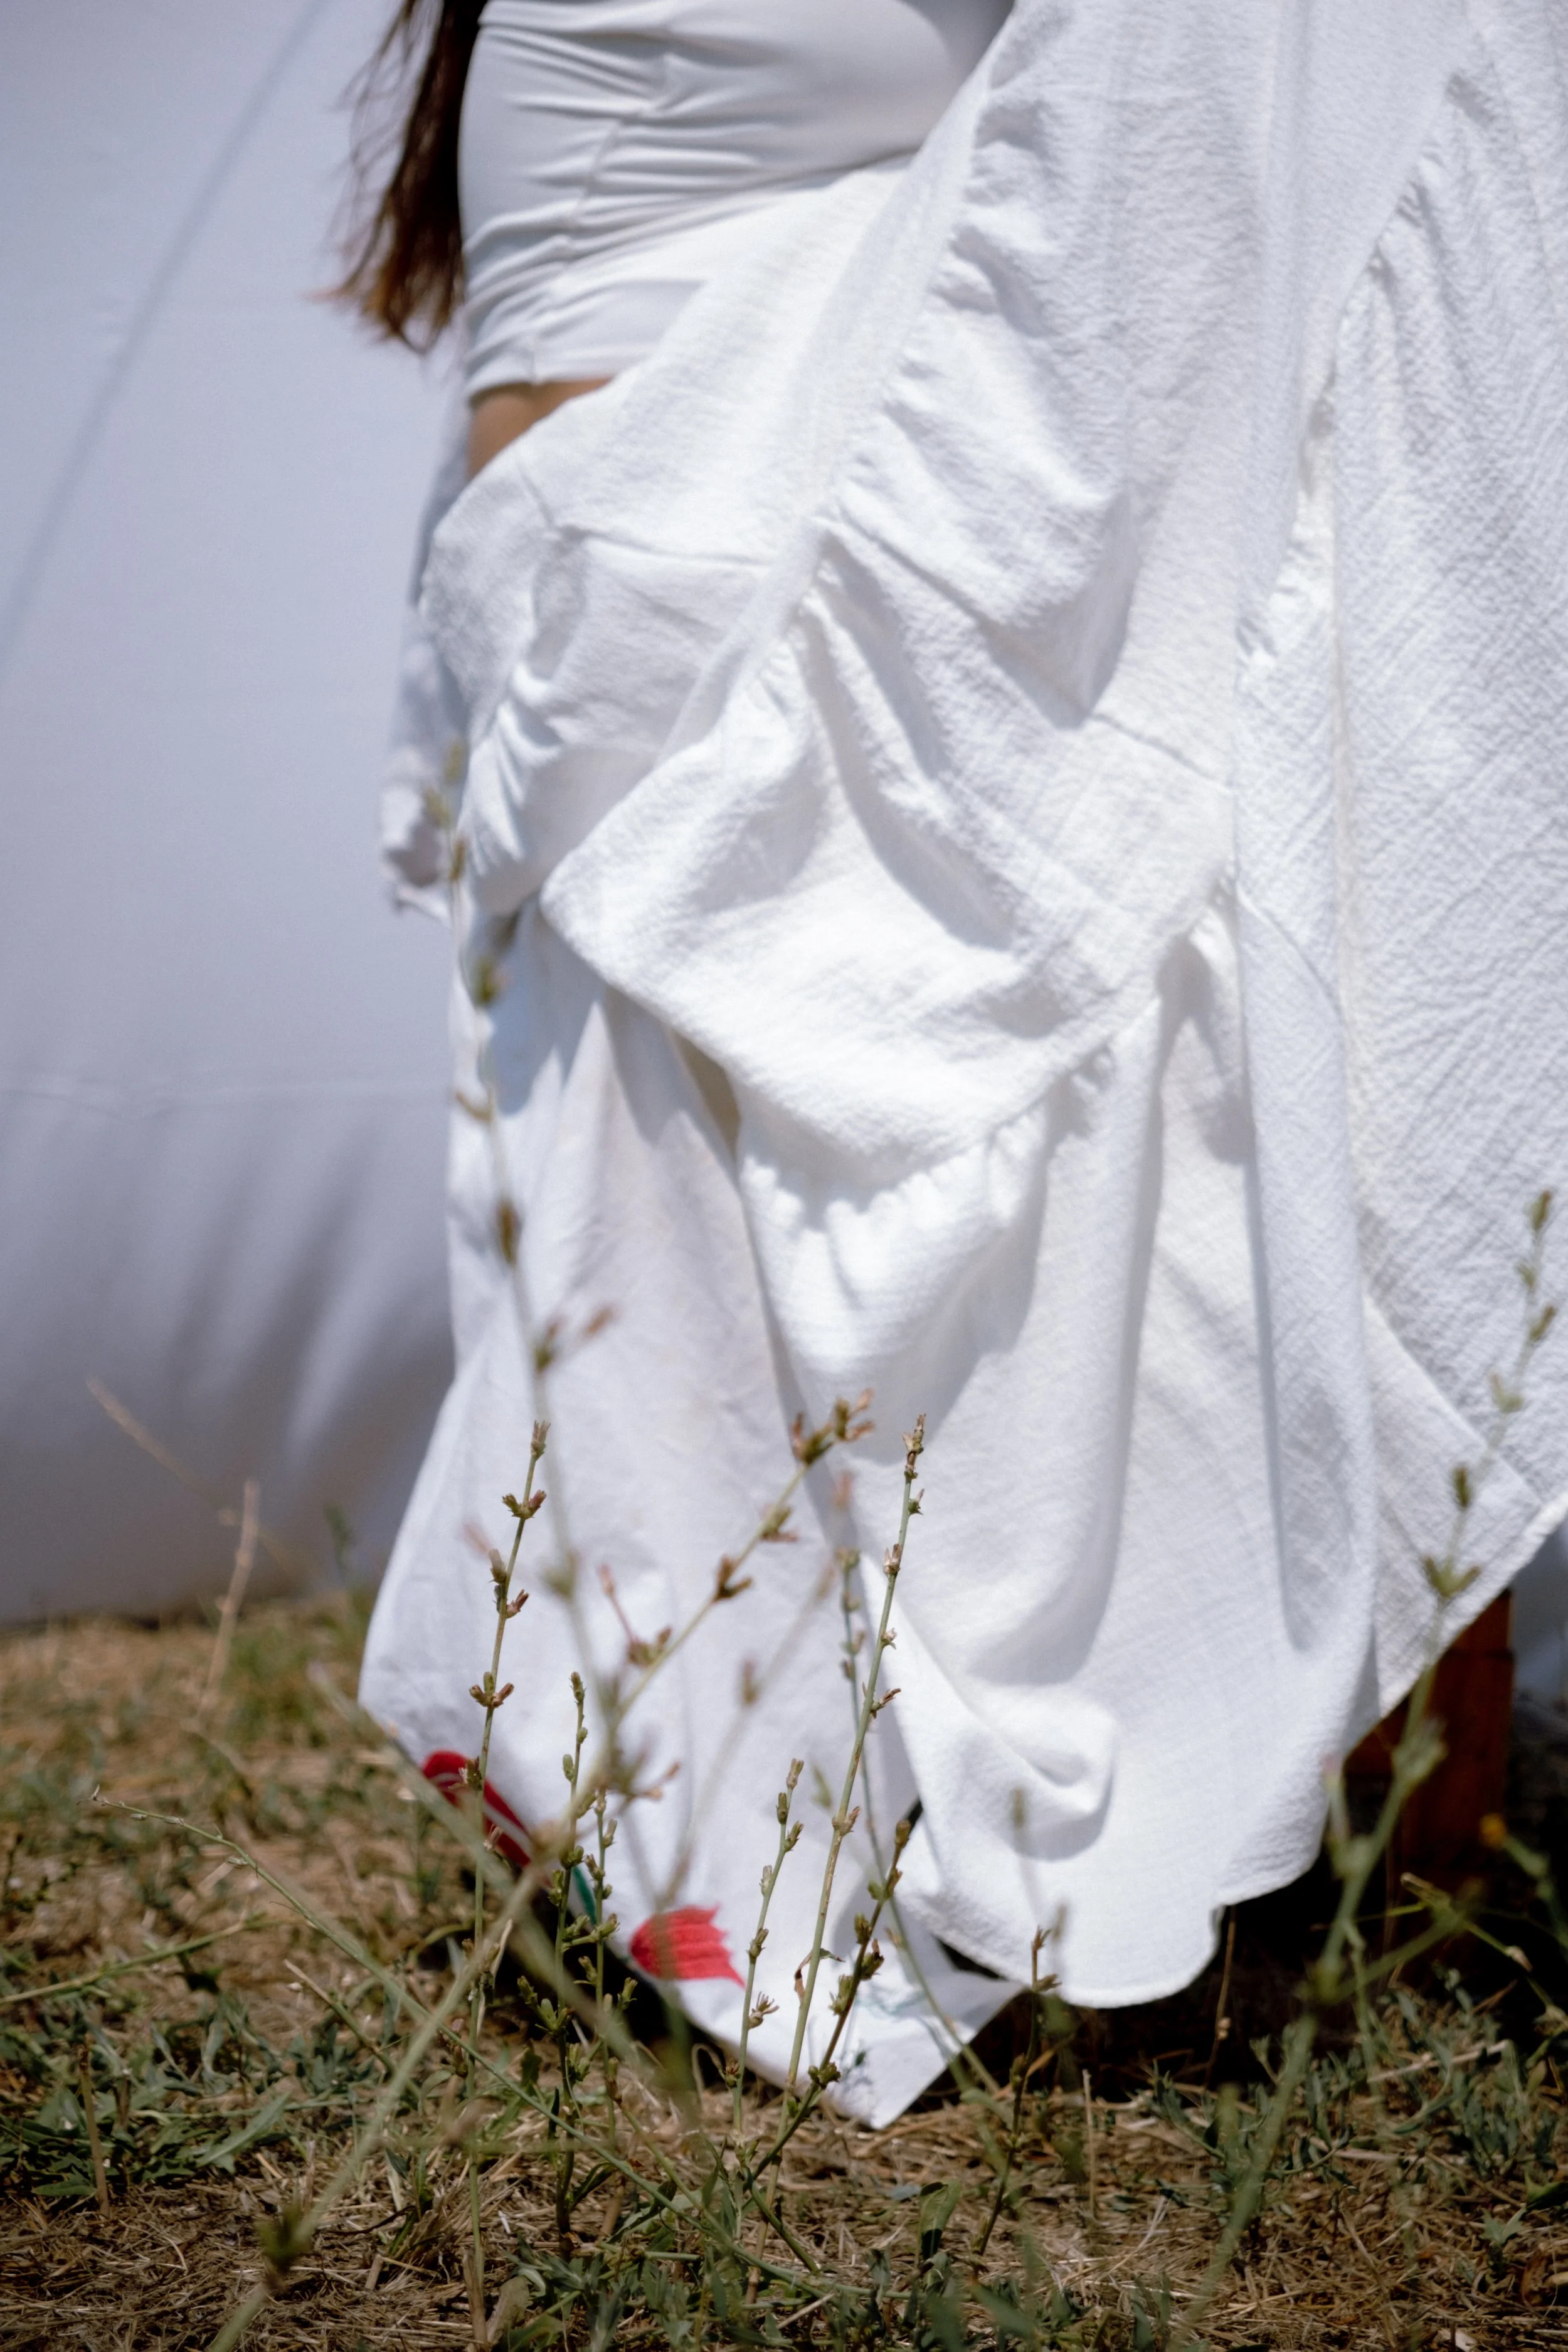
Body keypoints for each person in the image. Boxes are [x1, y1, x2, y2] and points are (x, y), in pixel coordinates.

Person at [342, 0, 1568, 2125]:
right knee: (1183, 1022)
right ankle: (1061, 1829)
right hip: (689, 547)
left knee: (765, 1262)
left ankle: (809, 1829)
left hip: (645, 534)